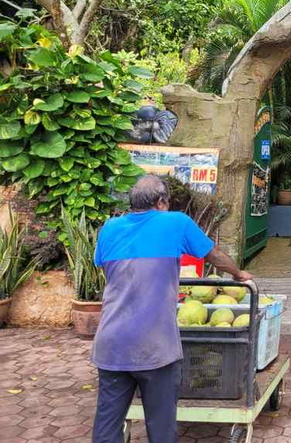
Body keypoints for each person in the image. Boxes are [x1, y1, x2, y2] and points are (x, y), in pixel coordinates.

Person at [91, 175, 253, 443]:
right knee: (161, 427)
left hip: (111, 344)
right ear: (162, 202)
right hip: (155, 347)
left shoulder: (109, 228)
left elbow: (111, 269)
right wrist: (238, 274)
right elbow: (213, 255)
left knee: (107, 425)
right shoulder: (176, 222)